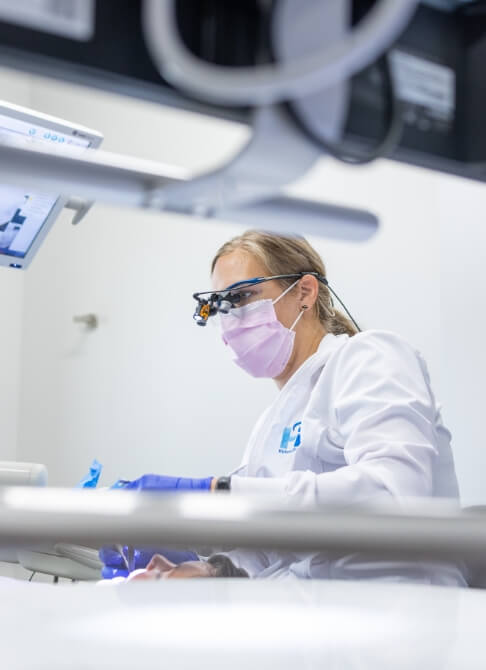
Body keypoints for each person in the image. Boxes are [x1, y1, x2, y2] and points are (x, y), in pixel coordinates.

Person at [101, 230, 465, 585]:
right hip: (316, 615)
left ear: (305, 291)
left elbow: (393, 496)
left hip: (404, 609)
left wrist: (218, 493)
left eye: (242, 297)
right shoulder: (273, 422)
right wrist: (213, 569)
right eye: (220, 306)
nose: (230, 320)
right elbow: (277, 548)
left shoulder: (369, 356)